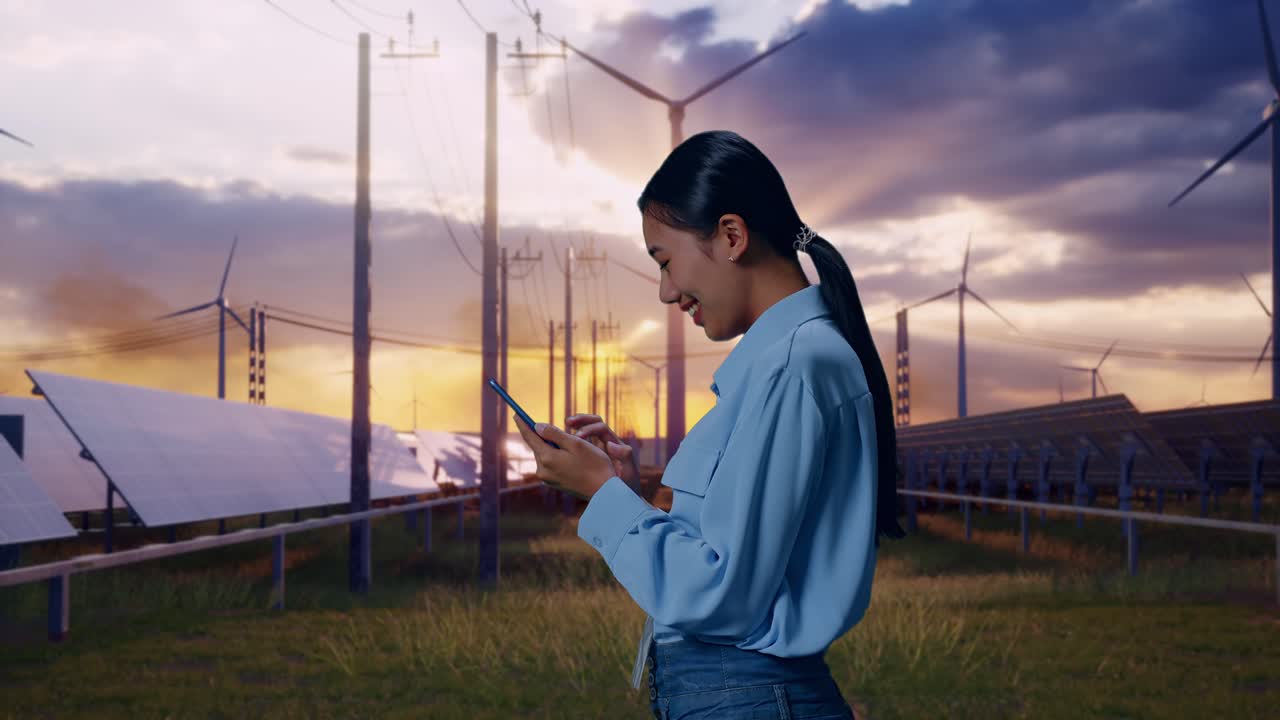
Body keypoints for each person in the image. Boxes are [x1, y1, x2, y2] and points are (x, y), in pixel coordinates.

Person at [514, 129, 903, 720]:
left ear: (730, 236)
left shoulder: (792, 367)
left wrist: (600, 493)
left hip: (748, 696)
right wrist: (629, 494)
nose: (667, 293)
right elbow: (736, 556)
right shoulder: (783, 365)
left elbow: (726, 597)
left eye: (665, 262)